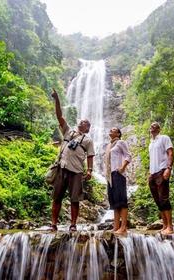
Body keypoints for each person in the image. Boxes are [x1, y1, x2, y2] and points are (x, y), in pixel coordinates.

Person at [50, 88, 95, 232]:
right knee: (57, 198)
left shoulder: (88, 140)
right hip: (61, 168)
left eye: (85, 123)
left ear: (88, 128)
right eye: (81, 122)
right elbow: (59, 116)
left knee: (75, 199)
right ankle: (54, 224)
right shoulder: (69, 131)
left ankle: (73, 224)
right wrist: (57, 99)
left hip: (76, 172)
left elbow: (90, 156)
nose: (81, 123)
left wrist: (89, 170)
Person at [148, 122, 174, 235]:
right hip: (153, 174)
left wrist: (168, 168)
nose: (152, 127)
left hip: (162, 171)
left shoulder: (164, 138)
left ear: (159, 129)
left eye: (155, 126)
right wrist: (149, 174)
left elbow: (170, 153)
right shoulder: (151, 143)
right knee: (158, 200)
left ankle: (170, 226)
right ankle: (164, 225)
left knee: (164, 198)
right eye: (151, 126)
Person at [104, 127, 131, 234]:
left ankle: (123, 227)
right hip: (110, 176)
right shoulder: (109, 145)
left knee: (121, 201)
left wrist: (122, 167)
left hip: (118, 174)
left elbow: (128, 155)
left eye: (114, 129)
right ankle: (116, 227)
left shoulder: (120, 142)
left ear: (118, 133)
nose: (111, 129)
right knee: (115, 202)